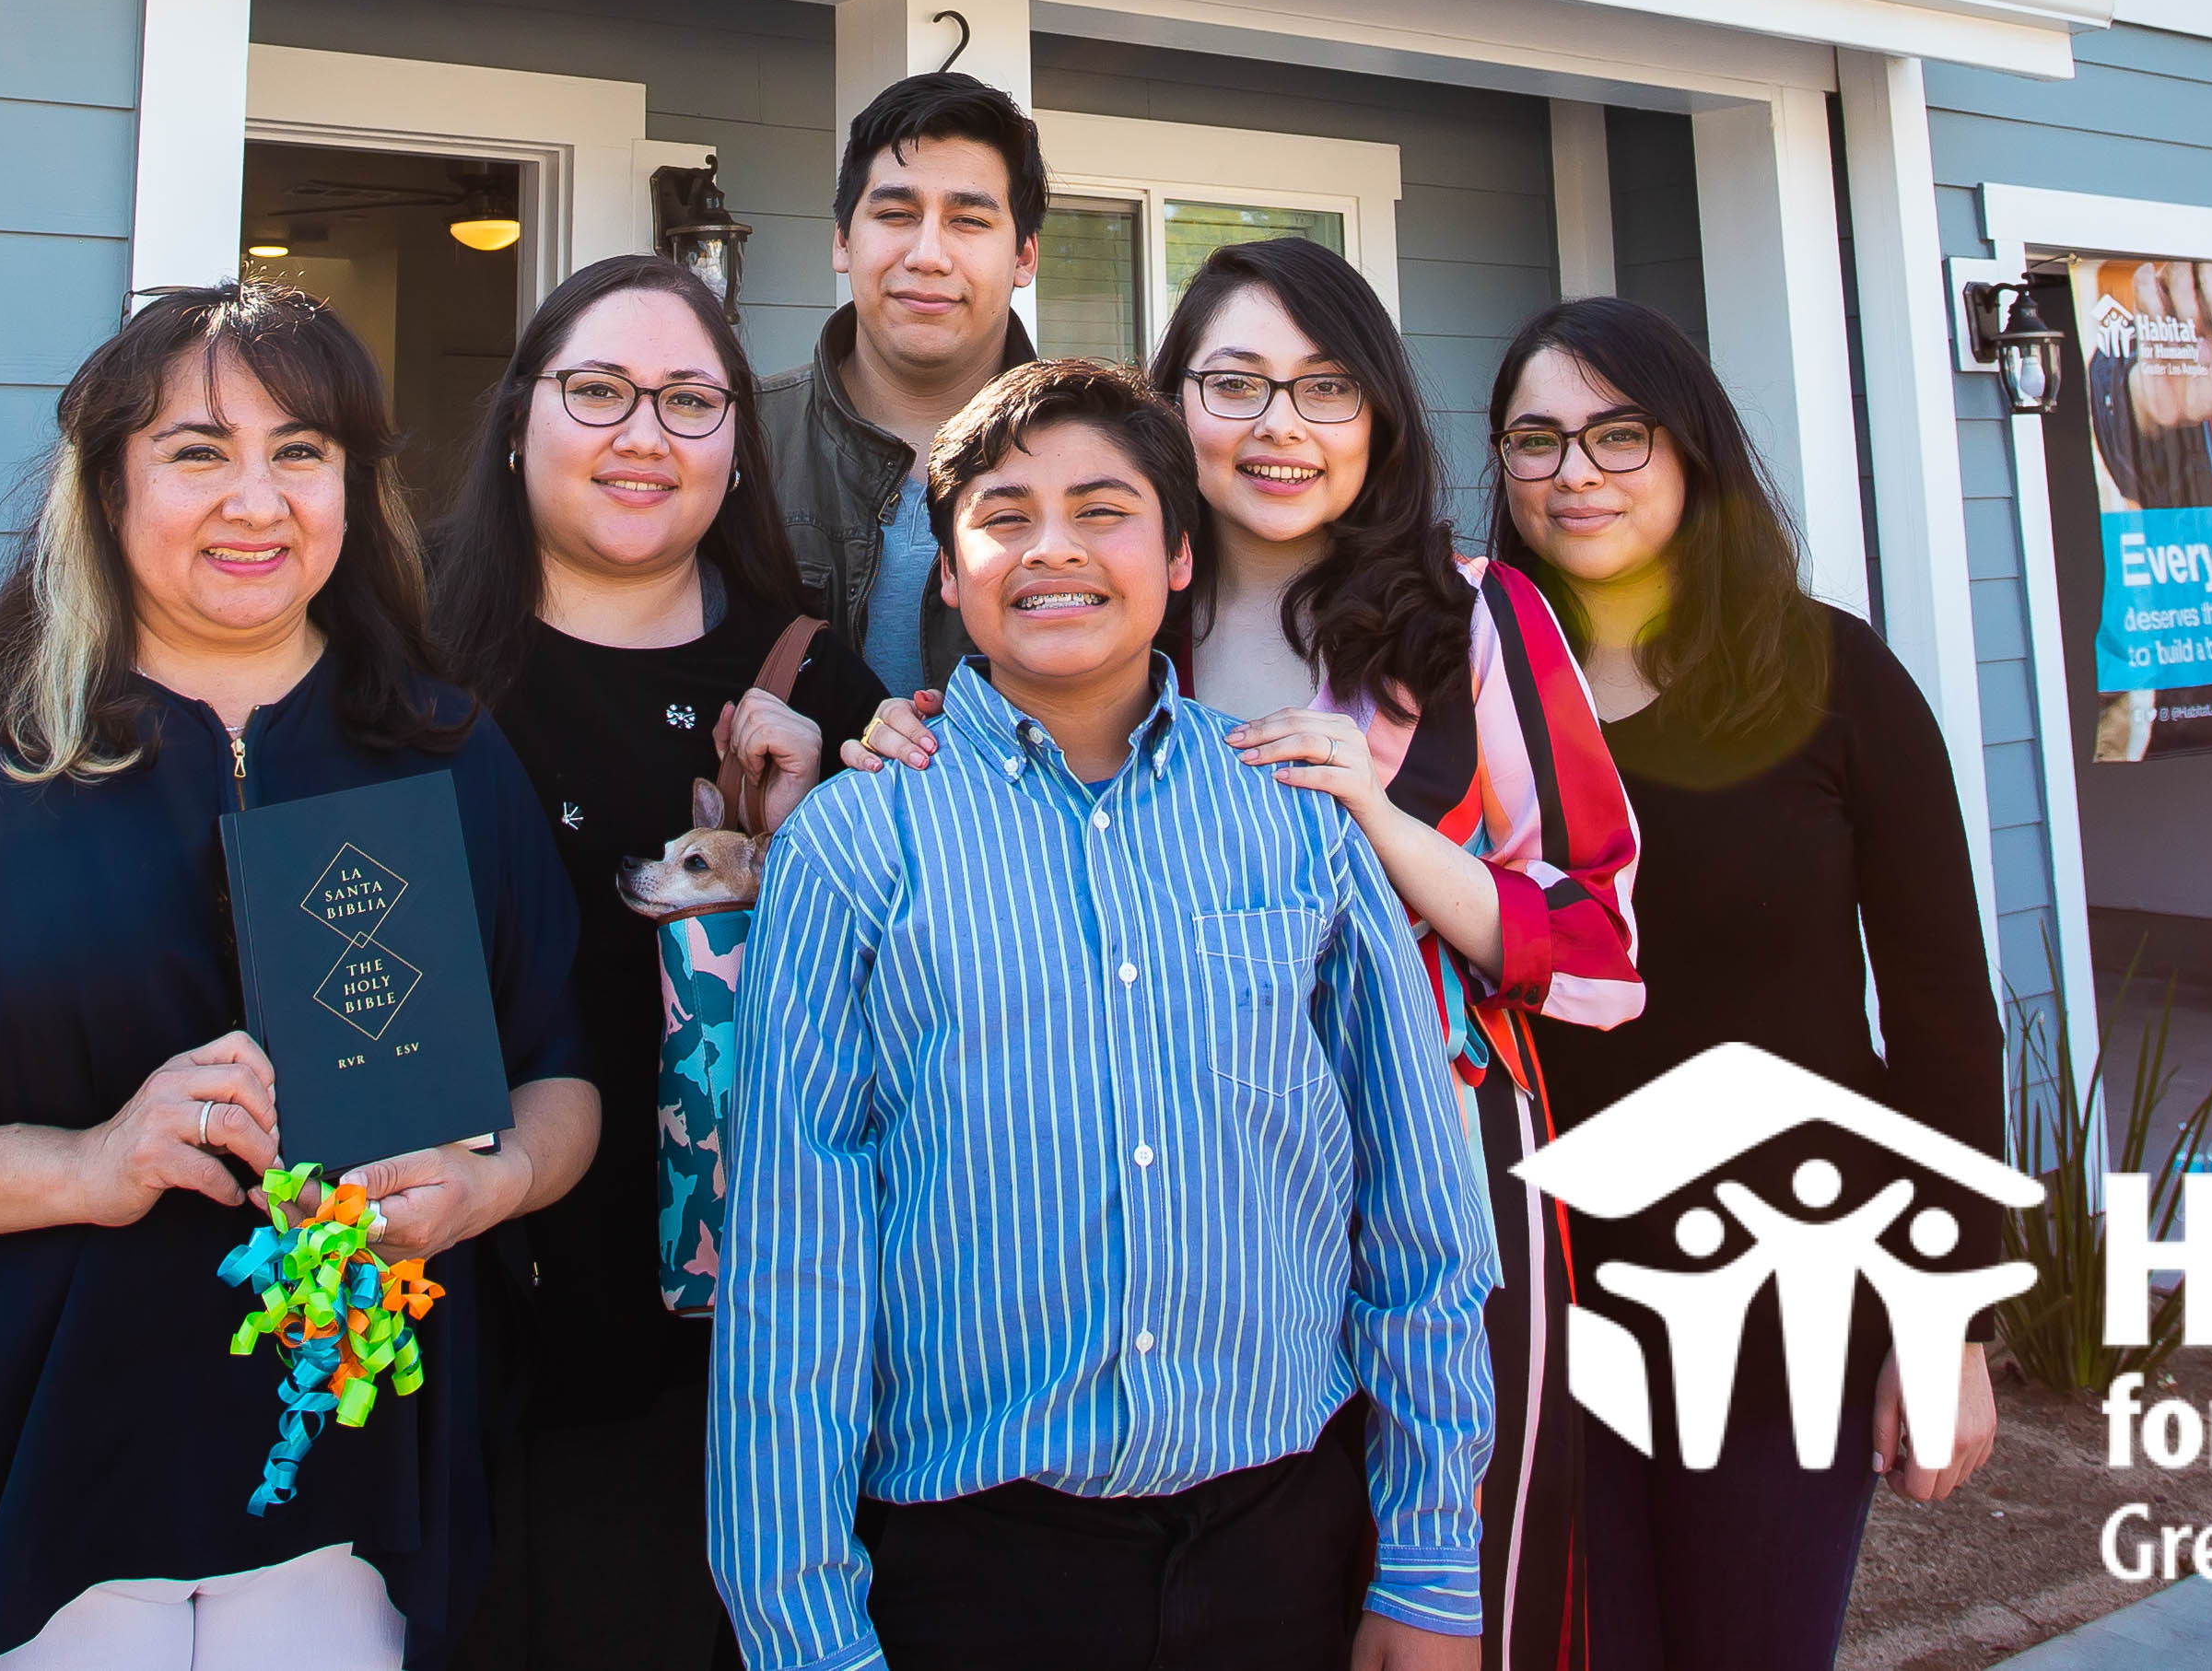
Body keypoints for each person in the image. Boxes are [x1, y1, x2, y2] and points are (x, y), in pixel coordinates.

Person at [0, 284, 597, 1671]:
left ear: (353, 487)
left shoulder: (440, 748)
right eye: (198, 449)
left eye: (301, 450)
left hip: (339, 1517)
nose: (256, 499)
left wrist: (496, 1183)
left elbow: (556, 1074)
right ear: (105, 483)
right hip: (8, 1513)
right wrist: (83, 1161)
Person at [841, 239, 1643, 1670]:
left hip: (1443, 1165)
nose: (1279, 425)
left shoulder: (1475, 618)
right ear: (1172, 411)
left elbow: (1597, 942)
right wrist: (897, 735)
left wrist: (1375, 822)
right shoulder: (1111, 619)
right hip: (1179, 1200)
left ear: (1378, 414)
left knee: (1452, 1586)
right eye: (1233, 383)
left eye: (1323, 385)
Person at [713, 358, 1495, 1671]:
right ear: (947, 576)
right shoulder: (857, 845)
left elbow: (1417, 1214)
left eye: (1103, 506)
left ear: (1181, 555)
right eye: (1004, 514)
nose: (1053, 546)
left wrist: (1426, 1558)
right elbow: (796, 1274)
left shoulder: (1296, 822)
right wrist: (805, 1638)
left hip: (1282, 1534)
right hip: (973, 1564)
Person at [1493, 299, 2002, 1671]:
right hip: (1538, 1297)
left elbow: (1945, 1019)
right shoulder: (1474, 699)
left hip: (1780, 1292)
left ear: (1692, 452)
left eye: (1615, 432)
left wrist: (1944, 1316)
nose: (1571, 470)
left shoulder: (1832, 676)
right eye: (1533, 438)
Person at [424, 253, 888, 1671]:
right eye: (599, 390)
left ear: (738, 440)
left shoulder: (817, 682)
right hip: (479, 1326)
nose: (644, 432)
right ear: (520, 420)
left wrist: (812, 831)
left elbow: (941, 996)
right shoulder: (407, 674)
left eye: (691, 399)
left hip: (778, 1349)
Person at [758, 72, 1041, 699]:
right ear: (842, 241)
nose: (928, 254)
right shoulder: (738, 442)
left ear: (1024, 255)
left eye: (968, 219)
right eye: (895, 213)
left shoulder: (1107, 458)